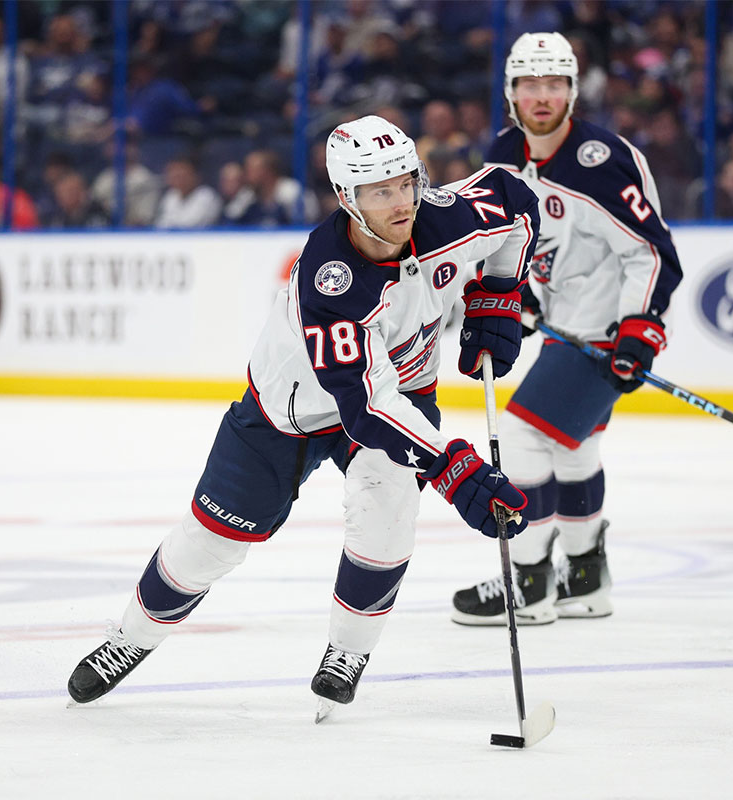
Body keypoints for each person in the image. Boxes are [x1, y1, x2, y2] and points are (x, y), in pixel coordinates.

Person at [67, 115, 541, 719]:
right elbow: (365, 406)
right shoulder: (332, 278)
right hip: (288, 412)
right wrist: (453, 465)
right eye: (380, 191)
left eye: (406, 183)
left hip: (400, 391)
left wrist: (497, 297)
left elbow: (516, 203)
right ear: (348, 199)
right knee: (209, 544)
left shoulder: (444, 215)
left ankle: (347, 653)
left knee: (387, 513)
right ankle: (128, 639)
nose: (401, 202)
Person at [450, 32, 683, 626]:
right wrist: (517, 296)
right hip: (566, 322)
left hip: (612, 326)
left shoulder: (600, 162)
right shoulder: (505, 154)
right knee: (573, 447)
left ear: (573, 91)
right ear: (511, 93)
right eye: (530, 84)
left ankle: (526, 583)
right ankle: (583, 579)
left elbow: (654, 255)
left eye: (555, 84)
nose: (542, 96)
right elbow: (509, 241)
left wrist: (639, 330)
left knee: (526, 436)